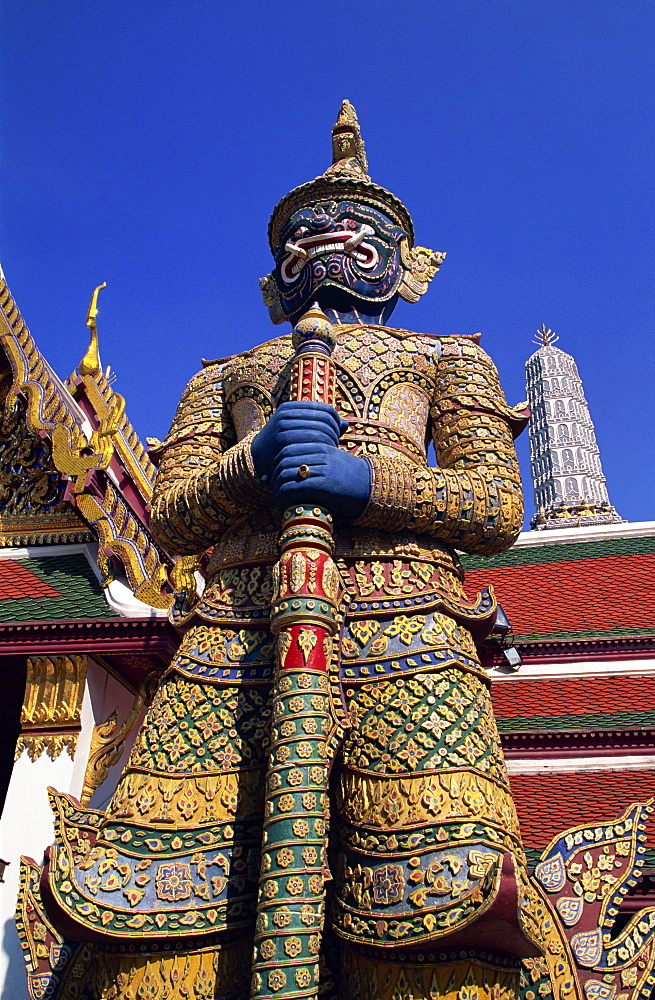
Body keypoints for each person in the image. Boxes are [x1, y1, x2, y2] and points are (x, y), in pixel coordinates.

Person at [42, 102, 538, 1000]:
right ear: (276, 269)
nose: (328, 243)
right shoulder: (224, 374)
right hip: (231, 636)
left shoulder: (446, 359)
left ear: (405, 263)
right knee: (150, 932)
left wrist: (364, 483)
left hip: (409, 631)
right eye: (305, 232)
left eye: (358, 231)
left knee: (441, 917)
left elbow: (494, 504)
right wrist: (254, 463)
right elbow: (173, 519)